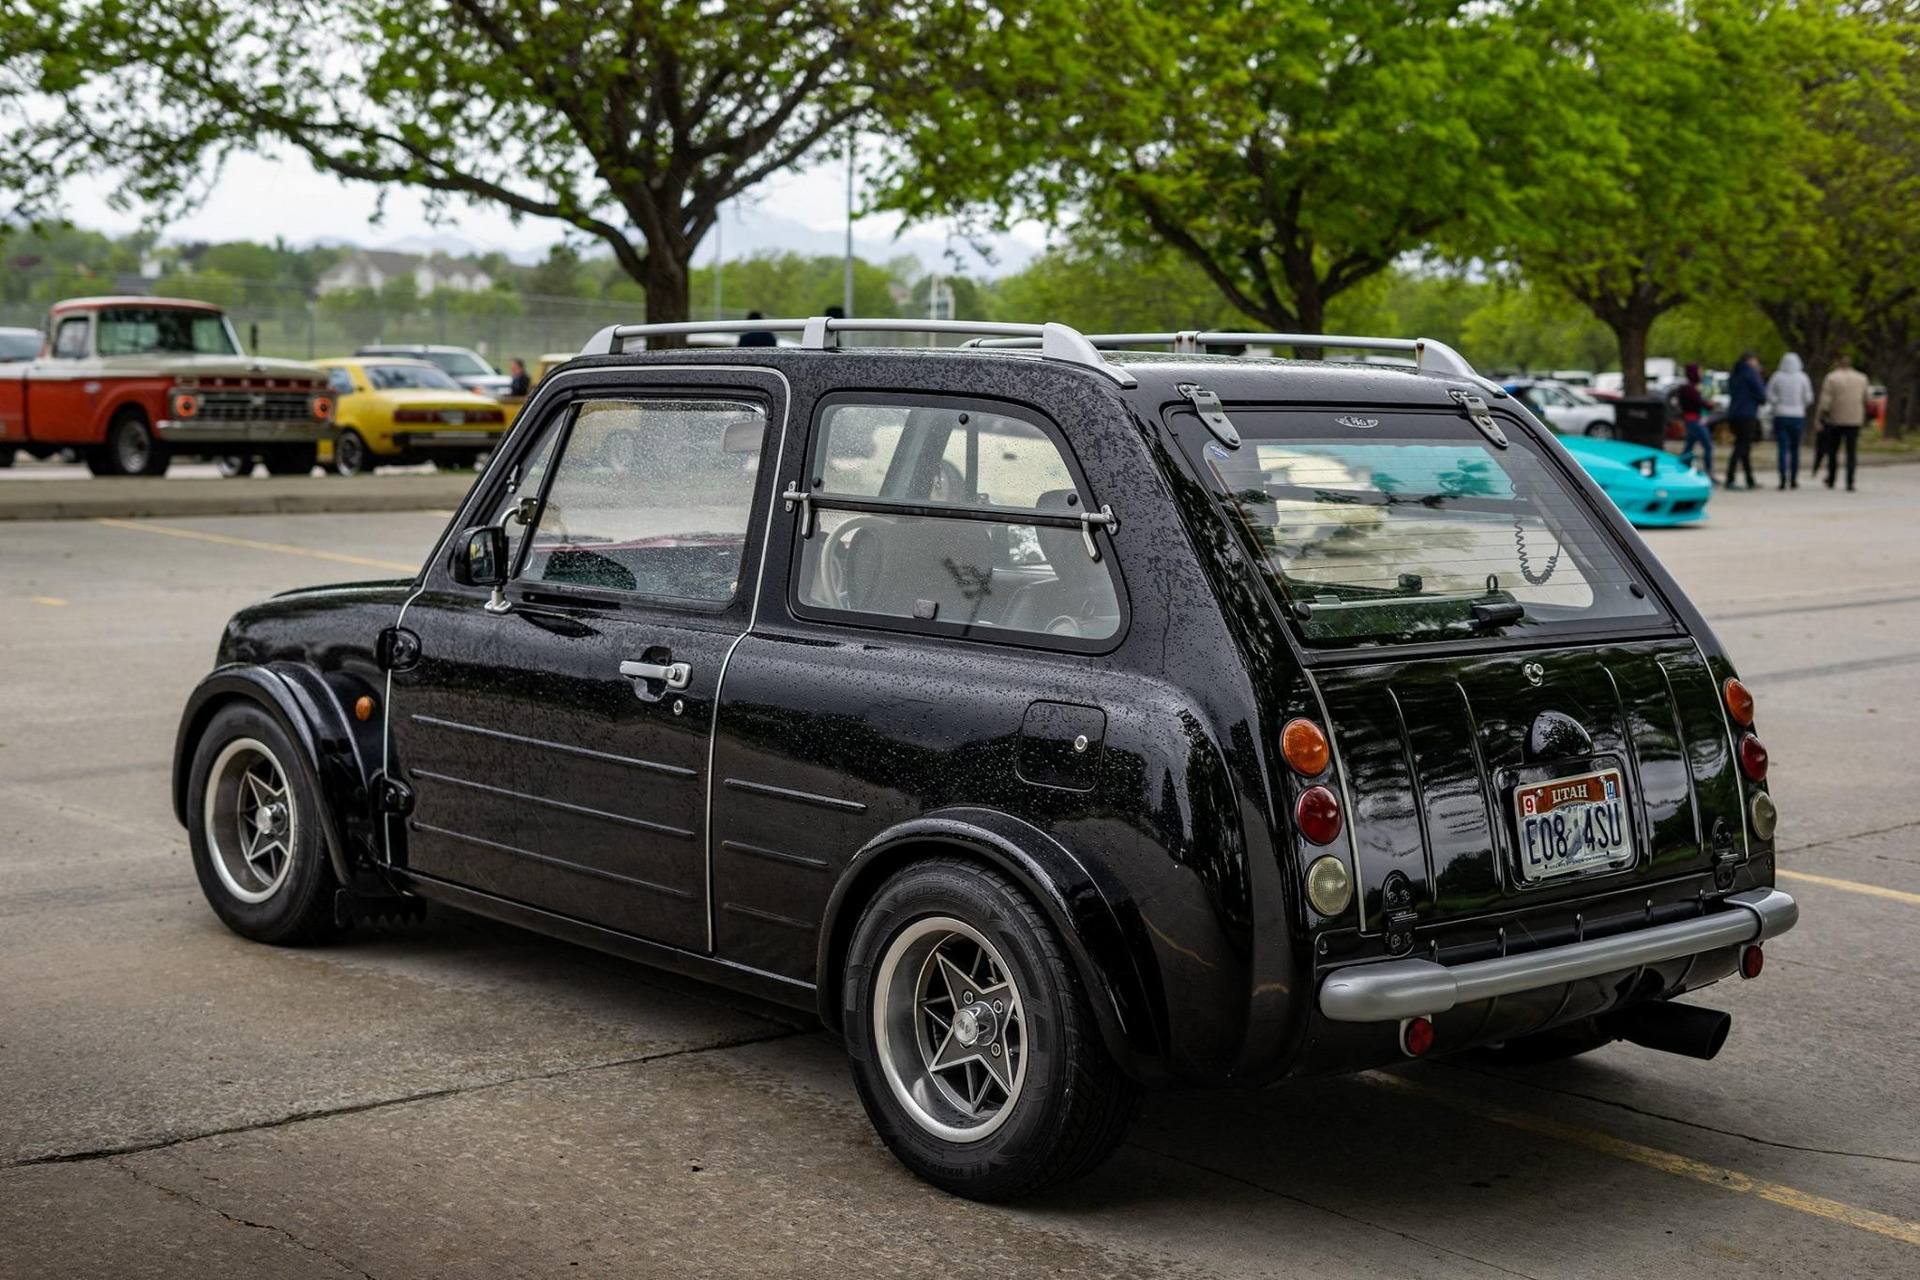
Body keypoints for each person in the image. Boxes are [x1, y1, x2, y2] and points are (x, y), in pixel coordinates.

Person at [1814, 351, 1873, 490]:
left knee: (1833, 450)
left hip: (1835, 419)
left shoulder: (1832, 378)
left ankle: (1831, 478)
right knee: (1851, 451)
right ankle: (1850, 481)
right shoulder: (1862, 378)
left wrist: (1820, 417)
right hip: (1854, 419)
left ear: (1837, 363)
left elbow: (1825, 402)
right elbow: (1868, 398)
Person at [1766, 352, 1813, 489]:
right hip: (1797, 415)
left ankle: (1782, 478)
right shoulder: (1802, 377)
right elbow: (1809, 397)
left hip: (1781, 415)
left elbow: (1769, 394)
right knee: (1795, 449)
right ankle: (1793, 478)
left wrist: (1777, 402)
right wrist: (1801, 405)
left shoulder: (1777, 376)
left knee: (1782, 448)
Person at [1725, 352, 1766, 489]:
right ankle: (1730, 477)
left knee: (1743, 447)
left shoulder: (1734, 374)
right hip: (1747, 414)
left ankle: (1749, 478)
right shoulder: (1751, 374)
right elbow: (1761, 394)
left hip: (1734, 413)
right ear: (1750, 361)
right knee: (1741, 447)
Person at [1675, 364, 1714, 479]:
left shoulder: (1690, 388)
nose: (1700, 375)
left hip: (1692, 419)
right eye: (1699, 372)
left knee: (1689, 446)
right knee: (1708, 446)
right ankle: (1708, 471)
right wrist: (1709, 405)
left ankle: (1680, 468)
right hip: (1694, 420)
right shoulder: (1689, 389)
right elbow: (1698, 403)